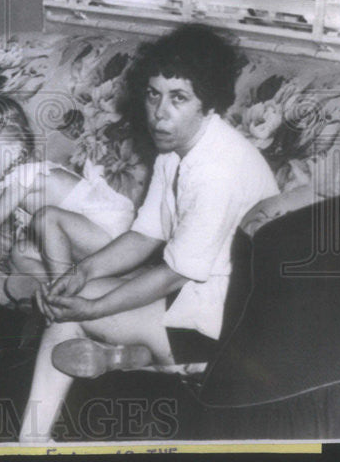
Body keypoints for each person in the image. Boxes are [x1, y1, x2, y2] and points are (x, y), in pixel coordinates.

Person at [19, 24, 279, 443]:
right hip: (199, 302)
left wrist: (93, 305)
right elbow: (144, 235)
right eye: (153, 94)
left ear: (207, 103)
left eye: (179, 98)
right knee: (74, 301)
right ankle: (123, 365)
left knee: (72, 312)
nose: (159, 111)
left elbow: (173, 273)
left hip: (231, 332)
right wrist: (82, 274)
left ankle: (32, 440)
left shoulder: (218, 171)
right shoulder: (177, 148)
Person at [0, 95, 136, 300]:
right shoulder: (21, 179)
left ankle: (63, 294)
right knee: (20, 251)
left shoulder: (26, 177)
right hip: (90, 242)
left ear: (13, 150)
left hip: (113, 241)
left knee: (48, 218)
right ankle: (44, 285)